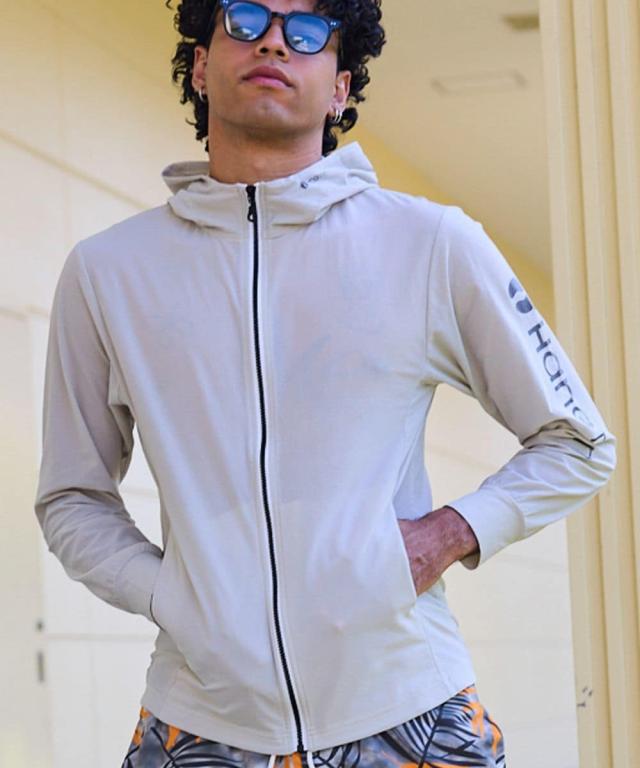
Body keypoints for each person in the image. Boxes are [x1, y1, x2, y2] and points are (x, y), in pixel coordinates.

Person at [33, 0, 617, 766]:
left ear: (341, 87)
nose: (275, 41)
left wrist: (447, 535)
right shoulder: (109, 272)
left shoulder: (429, 243)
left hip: (411, 712)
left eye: (307, 32)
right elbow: (72, 496)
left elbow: (578, 442)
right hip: (198, 724)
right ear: (201, 65)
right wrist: (167, 594)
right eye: (245, 19)